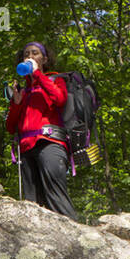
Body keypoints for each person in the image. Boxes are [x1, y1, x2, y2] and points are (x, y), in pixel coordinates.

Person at [6, 40, 80, 221]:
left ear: (44, 59)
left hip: (50, 143)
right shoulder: (22, 90)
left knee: (56, 197)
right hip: (26, 149)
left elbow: (60, 99)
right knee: (31, 204)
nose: (30, 57)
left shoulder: (56, 79)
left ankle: (76, 240)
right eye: (26, 54)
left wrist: (37, 74)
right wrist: (16, 104)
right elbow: (10, 127)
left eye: (35, 53)